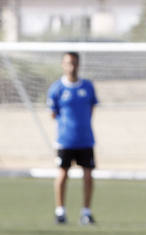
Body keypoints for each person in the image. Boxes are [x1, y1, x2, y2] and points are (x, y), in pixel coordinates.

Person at [47, 51, 98, 225]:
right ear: (63, 64)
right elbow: (53, 113)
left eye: (75, 63)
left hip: (85, 139)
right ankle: (60, 211)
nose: (72, 66)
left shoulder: (88, 87)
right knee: (62, 174)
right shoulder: (57, 88)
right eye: (68, 62)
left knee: (89, 176)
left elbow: (92, 108)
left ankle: (86, 212)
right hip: (65, 140)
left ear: (79, 64)